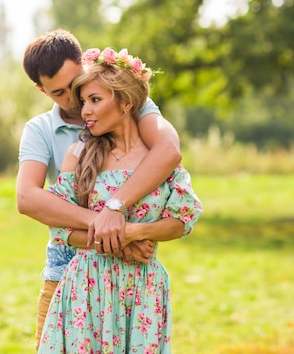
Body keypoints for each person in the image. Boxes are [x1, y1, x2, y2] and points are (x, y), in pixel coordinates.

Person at [17, 30, 185, 351]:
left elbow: (168, 150)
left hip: (127, 277)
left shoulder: (129, 106)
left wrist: (115, 209)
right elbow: (28, 198)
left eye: (75, 84)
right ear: (41, 90)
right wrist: (109, 230)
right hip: (65, 268)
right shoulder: (40, 130)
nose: (74, 100)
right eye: (59, 93)